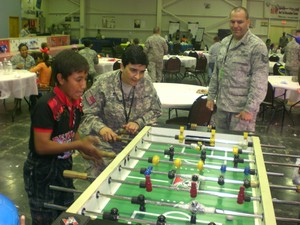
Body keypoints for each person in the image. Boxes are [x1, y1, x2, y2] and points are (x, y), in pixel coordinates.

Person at [23, 49, 115, 225]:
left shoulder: (75, 102)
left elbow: (72, 133)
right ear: (60, 78)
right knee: (46, 218)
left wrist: (86, 152)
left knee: (66, 216)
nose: (83, 86)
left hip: (63, 166)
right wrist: (80, 145)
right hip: (41, 171)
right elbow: (41, 146)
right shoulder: (46, 106)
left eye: (85, 80)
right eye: (78, 80)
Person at [79, 45, 162, 175]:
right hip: (107, 144)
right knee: (106, 179)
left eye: (142, 71)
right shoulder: (103, 83)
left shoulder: (146, 82)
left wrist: (138, 122)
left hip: (136, 141)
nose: (137, 76)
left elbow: (156, 110)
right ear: (122, 66)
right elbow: (85, 112)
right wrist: (101, 128)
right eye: (133, 70)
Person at [206, 6, 269, 132]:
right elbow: (217, 73)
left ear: (248, 22)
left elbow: (259, 82)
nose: (235, 25)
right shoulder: (224, 42)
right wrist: (210, 97)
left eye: (240, 22)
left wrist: (249, 109)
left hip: (241, 112)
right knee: (219, 145)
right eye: (232, 21)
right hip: (222, 108)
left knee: (238, 148)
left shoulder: (257, 46)